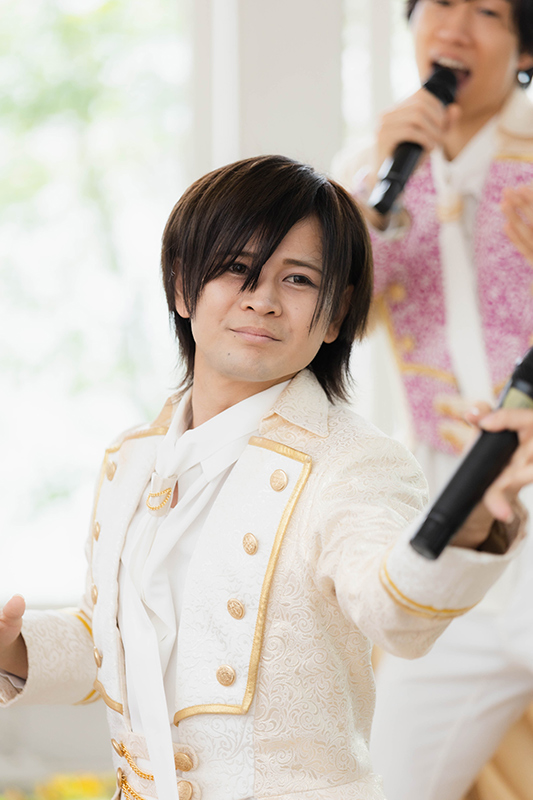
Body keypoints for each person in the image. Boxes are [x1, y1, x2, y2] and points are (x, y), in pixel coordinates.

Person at [0, 154, 531, 800]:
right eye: (235, 268)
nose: (263, 299)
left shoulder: (355, 460)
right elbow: (114, 644)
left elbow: (395, 613)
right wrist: (13, 648)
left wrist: (471, 518)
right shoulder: (131, 459)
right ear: (181, 286)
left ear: (335, 315)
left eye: (298, 279)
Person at [335, 1, 533, 798]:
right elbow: (324, 325)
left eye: (487, 10)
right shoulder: (367, 168)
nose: (454, 27)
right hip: (452, 509)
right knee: (387, 779)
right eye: (439, 4)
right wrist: (367, 200)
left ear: (523, 48)